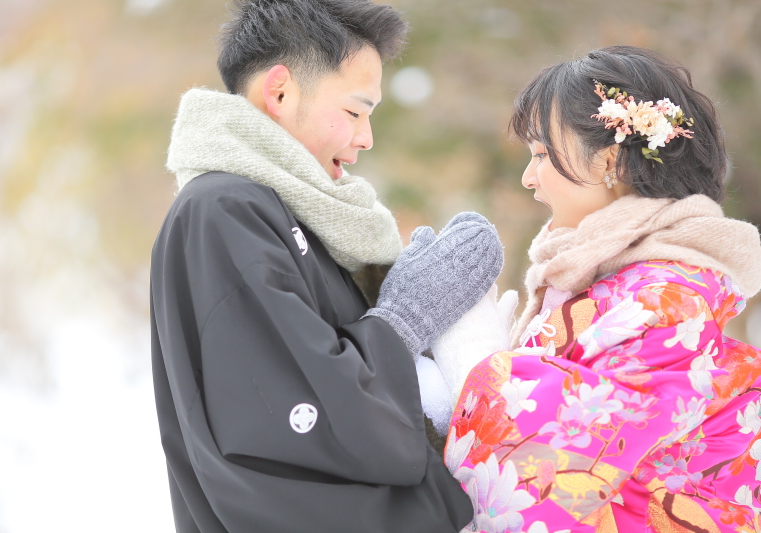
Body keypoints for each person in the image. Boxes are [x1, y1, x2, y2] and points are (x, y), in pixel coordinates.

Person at [150, 0, 505, 531]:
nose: (365, 138)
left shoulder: (289, 212)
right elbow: (291, 411)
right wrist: (402, 321)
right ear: (280, 92)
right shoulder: (222, 210)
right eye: (354, 112)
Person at [429, 46, 761, 532]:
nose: (528, 178)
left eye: (542, 154)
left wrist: (477, 365)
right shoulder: (628, 281)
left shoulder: (668, 298)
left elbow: (563, 460)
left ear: (611, 162)